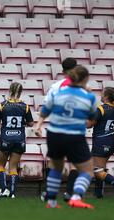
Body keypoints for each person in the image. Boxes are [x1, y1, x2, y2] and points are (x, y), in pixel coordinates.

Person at [34, 66, 97, 209]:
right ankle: (76, 197)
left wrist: (38, 125)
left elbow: (45, 110)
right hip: (74, 135)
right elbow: (92, 116)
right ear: (85, 79)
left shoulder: (57, 92)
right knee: (87, 171)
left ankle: (51, 202)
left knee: (56, 167)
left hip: (54, 134)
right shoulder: (89, 96)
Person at [0, 82, 34, 198]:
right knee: (13, 167)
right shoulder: (26, 106)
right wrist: (23, 122)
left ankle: (4, 190)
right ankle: (13, 192)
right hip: (19, 139)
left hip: (5, 138)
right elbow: (31, 123)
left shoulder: (2, 105)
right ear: (21, 92)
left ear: (10, 90)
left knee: (0, 165)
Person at [45, 57, 79, 201]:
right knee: (75, 163)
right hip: (74, 128)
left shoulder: (56, 86)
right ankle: (69, 193)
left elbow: (47, 106)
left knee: (54, 163)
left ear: (62, 70)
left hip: (57, 128)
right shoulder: (81, 86)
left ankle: (49, 195)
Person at [87, 87, 114, 199]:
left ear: (106, 97)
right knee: (99, 168)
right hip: (112, 142)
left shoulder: (101, 109)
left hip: (101, 142)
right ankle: (98, 194)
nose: (100, 96)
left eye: (102, 94)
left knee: (97, 170)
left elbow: (89, 125)